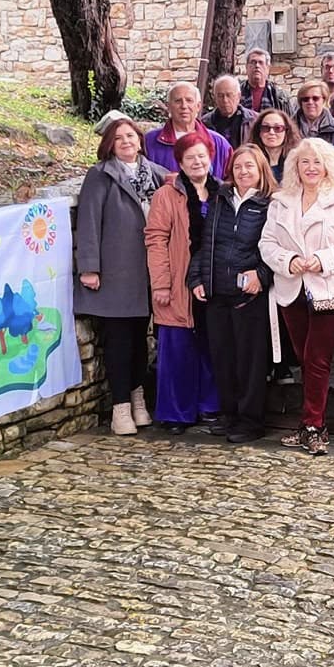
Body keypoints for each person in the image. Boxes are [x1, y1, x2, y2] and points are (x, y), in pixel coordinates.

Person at [260, 139, 334, 457]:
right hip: (292, 288)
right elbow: (267, 243)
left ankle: (313, 426)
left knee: (317, 358)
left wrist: (323, 260)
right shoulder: (281, 202)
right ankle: (309, 421)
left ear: (327, 166)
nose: (310, 167)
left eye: (317, 162)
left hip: (330, 288)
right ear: (295, 166)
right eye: (304, 161)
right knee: (305, 358)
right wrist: (288, 260)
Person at [75, 118, 162, 435]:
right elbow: (88, 221)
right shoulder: (100, 175)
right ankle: (120, 406)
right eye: (119, 138)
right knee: (118, 340)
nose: (126, 141)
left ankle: (138, 400)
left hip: (146, 273)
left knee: (140, 340)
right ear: (109, 144)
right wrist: (89, 267)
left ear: (140, 140)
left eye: (131, 136)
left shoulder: (155, 174)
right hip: (115, 272)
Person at [190, 145, 276, 444]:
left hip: (249, 296)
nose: (243, 172)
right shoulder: (221, 198)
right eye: (238, 166)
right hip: (218, 293)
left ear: (261, 169)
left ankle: (251, 421)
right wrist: (197, 278)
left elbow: (278, 247)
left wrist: (262, 275)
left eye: (249, 166)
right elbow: (206, 243)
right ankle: (229, 415)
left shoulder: (271, 203)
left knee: (249, 362)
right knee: (223, 358)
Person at [144, 131, 220, 434]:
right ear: (180, 162)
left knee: (211, 347)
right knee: (177, 351)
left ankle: (209, 406)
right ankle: (176, 413)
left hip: (213, 284)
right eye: (190, 157)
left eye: (202, 155)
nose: (197, 162)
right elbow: (156, 240)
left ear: (210, 157)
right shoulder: (167, 195)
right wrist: (161, 284)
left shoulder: (222, 192)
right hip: (177, 284)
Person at [145, 81, 230, 179]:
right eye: (178, 101)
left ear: (198, 106)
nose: (184, 106)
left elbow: (231, 181)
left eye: (189, 100)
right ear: (169, 107)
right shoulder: (149, 141)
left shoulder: (219, 143)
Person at [293, 80, 334, 157]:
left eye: (315, 98)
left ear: (324, 100)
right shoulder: (289, 127)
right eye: (306, 99)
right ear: (301, 103)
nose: (310, 102)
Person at [204, 74, 255, 149]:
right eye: (220, 96)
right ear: (214, 97)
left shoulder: (253, 120)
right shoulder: (205, 123)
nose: (225, 100)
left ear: (238, 96)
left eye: (229, 95)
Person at [252, 107, 300, 183]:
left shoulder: (297, 159)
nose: (271, 132)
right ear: (259, 132)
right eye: (266, 128)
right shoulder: (250, 158)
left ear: (286, 132)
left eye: (278, 128)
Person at [242, 48, 288, 113]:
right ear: (246, 67)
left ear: (267, 68)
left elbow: (288, 118)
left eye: (261, 63)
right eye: (253, 62)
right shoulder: (237, 93)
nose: (257, 66)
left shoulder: (279, 96)